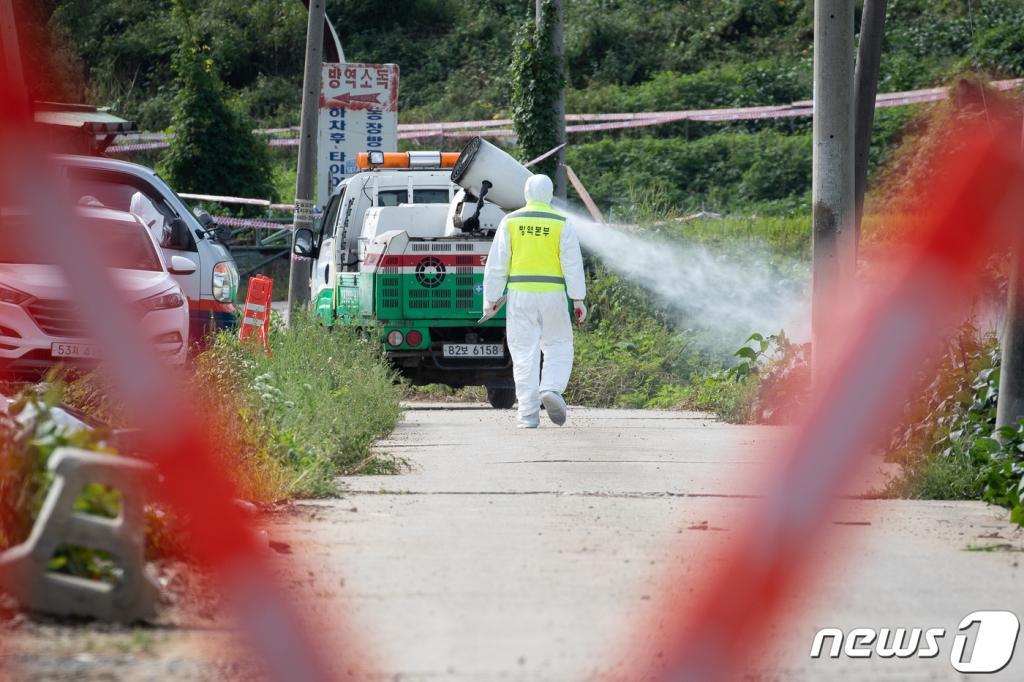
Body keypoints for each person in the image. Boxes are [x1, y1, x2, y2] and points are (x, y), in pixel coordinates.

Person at [483, 174, 587, 428]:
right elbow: (573, 265)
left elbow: (497, 266)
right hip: (553, 295)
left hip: (520, 295)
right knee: (559, 343)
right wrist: (578, 300)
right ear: (550, 195)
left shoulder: (510, 221)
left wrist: (491, 300)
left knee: (523, 353)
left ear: (526, 195)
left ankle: (528, 415)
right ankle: (550, 388)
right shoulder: (561, 222)